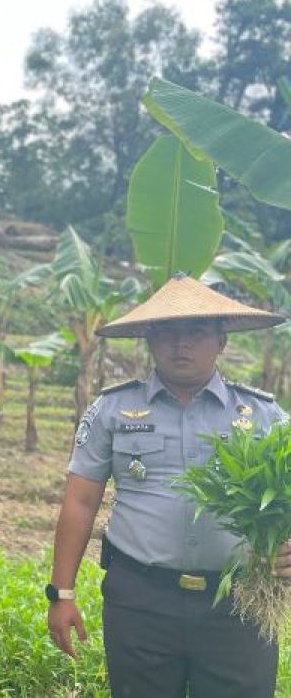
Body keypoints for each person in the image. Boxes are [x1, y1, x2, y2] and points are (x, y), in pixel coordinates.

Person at [48, 274, 291, 697]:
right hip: (141, 600)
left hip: (239, 603)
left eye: (196, 332)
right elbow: (81, 500)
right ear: (149, 340)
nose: (182, 344)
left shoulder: (264, 416)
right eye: (168, 332)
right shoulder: (113, 408)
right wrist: (61, 593)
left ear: (222, 341)